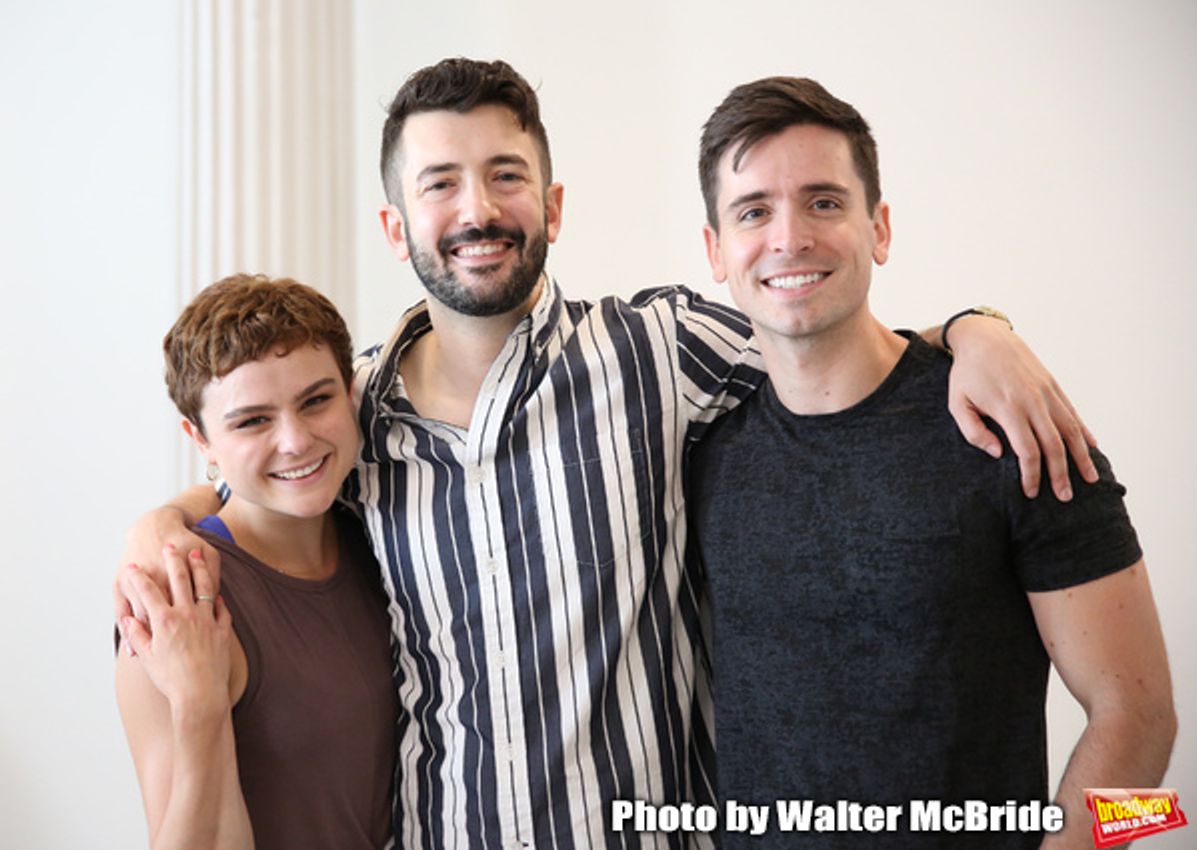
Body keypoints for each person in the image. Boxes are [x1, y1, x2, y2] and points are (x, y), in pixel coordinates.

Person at [117, 59, 1101, 850]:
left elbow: (825, 336)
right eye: (440, 184)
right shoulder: (350, 407)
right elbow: (256, 464)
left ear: (551, 205)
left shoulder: (654, 350)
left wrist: (977, 329)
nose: (477, 209)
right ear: (396, 225)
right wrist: (157, 523)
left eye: (506, 175)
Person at [687, 76, 1176, 848]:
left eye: (823, 202)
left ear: (878, 228)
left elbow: (1142, 717)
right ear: (717, 251)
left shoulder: (1012, 424)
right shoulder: (703, 449)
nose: (788, 238)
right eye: (754, 211)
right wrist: (968, 325)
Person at [115, 275, 397, 850]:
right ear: (201, 440)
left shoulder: (381, 540)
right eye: (252, 420)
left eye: (315, 400)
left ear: (350, 393)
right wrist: (200, 704)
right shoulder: (175, 605)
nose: (295, 441)